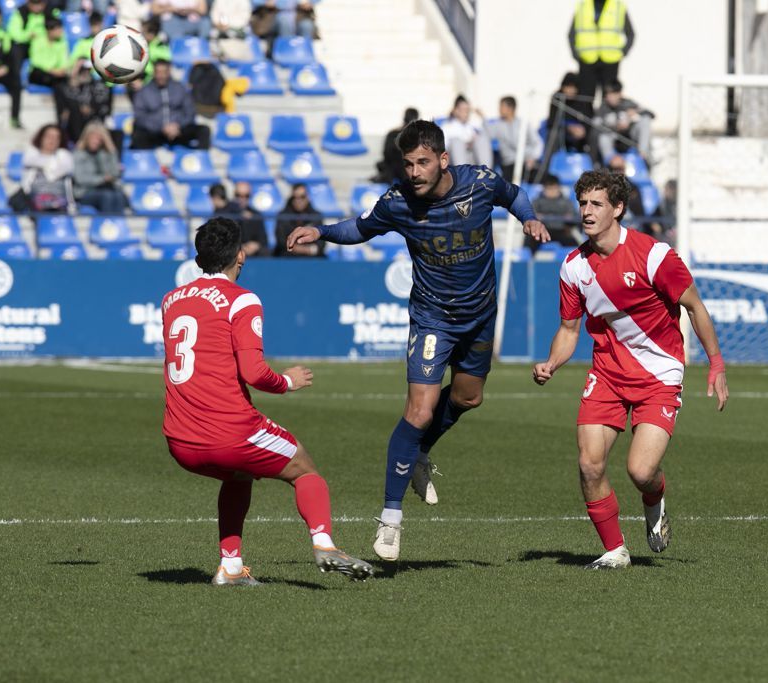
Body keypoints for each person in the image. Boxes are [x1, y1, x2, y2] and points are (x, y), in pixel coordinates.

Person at [285, 121, 550, 560]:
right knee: (419, 409)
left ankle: (421, 452)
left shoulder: (479, 183)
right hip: (432, 319)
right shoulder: (397, 203)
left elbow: (514, 193)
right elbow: (362, 228)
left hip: (481, 315)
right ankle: (390, 520)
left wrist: (530, 218)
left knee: (467, 400)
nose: (414, 172)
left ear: (443, 160)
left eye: (422, 162)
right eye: (407, 164)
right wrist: (322, 231)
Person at [160, 216, 374, 585]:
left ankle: (230, 567)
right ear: (240, 256)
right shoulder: (242, 299)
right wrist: (288, 382)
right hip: (229, 433)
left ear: (198, 261)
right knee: (306, 469)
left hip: (178, 440)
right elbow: (254, 373)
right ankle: (324, 544)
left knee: (239, 477)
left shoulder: (171, 300)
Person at [532, 169, 728, 570]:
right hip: (606, 374)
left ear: (618, 209)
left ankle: (654, 500)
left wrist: (716, 363)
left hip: (659, 376)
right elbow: (569, 330)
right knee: (589, 463)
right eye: (583, 203)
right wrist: (553, 362)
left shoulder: (655, 256)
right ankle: (615, 550)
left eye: (596, 204)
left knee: (641, 471)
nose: (586, 212)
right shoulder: (573, 267)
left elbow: (695, 307)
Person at [568, 0, 634, 119]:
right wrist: (576, 54)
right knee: (585, 98)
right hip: (587, 60)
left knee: (609, 99)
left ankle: (606, 130)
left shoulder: (618, 6)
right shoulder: (583, 5)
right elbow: (571, 33)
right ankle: (587, 131)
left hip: (610, 61)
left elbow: (631, 33)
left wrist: (622, 53)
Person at [131, 60, 211, 149]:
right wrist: (161, 127)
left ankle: (199, 160)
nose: (161, 76)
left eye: (164, 72)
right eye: (158, 72)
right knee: (138, 134)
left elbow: (190, 112)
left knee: (204, 130)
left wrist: (177, 125)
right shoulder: (144, 91)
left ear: (169, 72)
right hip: (155, 132)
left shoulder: (180, 88)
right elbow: (140, 116)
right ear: (154, 73)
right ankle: (145, 161)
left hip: (178, 130)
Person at [16, 124, 73, 213]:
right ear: (41, 138)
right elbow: (29, 161)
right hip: (35, 199)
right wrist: (51, 163)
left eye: (56, 137)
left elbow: (66, 168)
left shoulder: (64, 155)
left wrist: (46, 165)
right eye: (49, 136)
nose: (52, 140)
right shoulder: (31, 154)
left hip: (59, 199)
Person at [73, 121, 128, 214]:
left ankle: (119, 225)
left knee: (119, 195)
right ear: (86, 137)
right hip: (85, 192)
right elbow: (80, 178)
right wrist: (102, 179)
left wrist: (111, 151)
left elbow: (115, 173)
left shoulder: (105, 154)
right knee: (107, 196)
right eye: (93, 137)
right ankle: (107, 224)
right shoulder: (78, 154)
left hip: (108, 189)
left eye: (99, 138)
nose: (96, 141)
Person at [485, 95, 542, 183]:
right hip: (509, 164)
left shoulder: (523, 124)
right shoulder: (497, 125)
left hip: (526, 161)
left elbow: (537, 142)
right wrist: (482, 118)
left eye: (501, 106)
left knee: (543, 177)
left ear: (510, 108)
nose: (499, 109)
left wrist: (533, 158)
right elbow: (488, 134)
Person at [595, 80, 652, 164]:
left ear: (620, 94)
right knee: (603, 137)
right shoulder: (603, 107)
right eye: (608, 94)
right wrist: (615, 126)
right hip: (614, 138)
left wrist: (635, 112)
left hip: (630, 136)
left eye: (613, 94)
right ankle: (612, 161)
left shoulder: (628, 103)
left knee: (645, 120)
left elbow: (650, 113)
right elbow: (596, 124)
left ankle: (643, 156)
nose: (610, 97)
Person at [27, 16, 71, 124]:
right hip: (39, 72)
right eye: (58, 29)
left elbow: (64, 61)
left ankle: (63, 114)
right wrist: (52, 70)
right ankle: (62, 114)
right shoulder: (37, 40)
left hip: (54, 75)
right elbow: (35, 61)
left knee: (61, 82)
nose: (61, 31)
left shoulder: (62, 42)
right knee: (57, 81)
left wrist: (61, 70)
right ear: (49, 30)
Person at [61, 58, 113, 145]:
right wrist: (74, 78)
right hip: (77, 123)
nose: (85, 73)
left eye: (88, 70)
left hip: (96, 120)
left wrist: (91, 108)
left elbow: (103, 103)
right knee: (74, 111)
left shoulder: (98, 84)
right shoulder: (68, 86)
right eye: (82, 70)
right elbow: (67, 98)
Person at [527, 174, 580, 251]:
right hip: (543, 231)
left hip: (561, 231)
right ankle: (526, 260)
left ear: (559, 188)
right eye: (549, 189)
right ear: (544, 189)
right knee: (530, 240)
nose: (552, 192)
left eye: (554, 188)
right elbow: (531, 215)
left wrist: (569, 219)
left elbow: (573, 217)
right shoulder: (537, 201)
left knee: (573, 244)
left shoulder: (566, 202)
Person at [441, 94, 493, 168]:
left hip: (471, 158)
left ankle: (486, 173)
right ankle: (462, 176)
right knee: (456, 142)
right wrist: (465, 144)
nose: (466, 113)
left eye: (468, 110)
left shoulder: (472, 125)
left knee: (482, 139)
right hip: (455, 160)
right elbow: (444, 148)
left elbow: (489, 137)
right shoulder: (447, 126)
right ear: (456, 111)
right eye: (464, 110)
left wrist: (483, 117)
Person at [274, 183, 323, 257]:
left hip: (311, 259)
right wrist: (306, 249)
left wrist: (300, 249)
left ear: (308, 197)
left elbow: (321, 243)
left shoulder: (316, 216)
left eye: (302, 197)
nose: (298, 200)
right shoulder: (283, 216)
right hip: (288, 258)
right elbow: (281, 242)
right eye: (295, 197)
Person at [373, 107, 418, 184]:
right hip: (406, 172)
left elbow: (386, 154)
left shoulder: (392, 133)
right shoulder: (419, 135)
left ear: (404, 118)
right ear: (416, 118)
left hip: (391, 171)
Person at [231, 180, 269, 256]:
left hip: (253, 254)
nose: (242, 199)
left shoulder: (256, 215)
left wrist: (256, 245)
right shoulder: (226, 214)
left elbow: (263, 240)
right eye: (238, 195)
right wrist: (240, 247)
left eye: (246, 196)